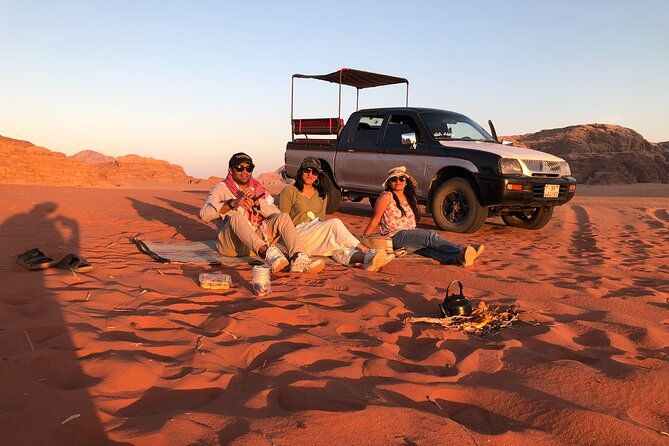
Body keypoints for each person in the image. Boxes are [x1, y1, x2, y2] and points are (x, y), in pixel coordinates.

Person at [200, 152, 324, 274]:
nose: (245, 172)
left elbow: (276, 213)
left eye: (249, 168)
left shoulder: (257, 188)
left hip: (254, 243)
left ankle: (297, 258)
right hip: (232, 246)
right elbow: (205, 214)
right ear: (230, 170)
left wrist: (257, 202)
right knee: (236, 217)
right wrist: (232, 203)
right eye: (239, 168)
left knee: (283, 217)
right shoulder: (221, 188)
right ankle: (268, 254)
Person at [278, 157, 394, 271]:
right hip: (297, 236)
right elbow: (283, 221)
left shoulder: (321, 194)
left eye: (314, 172)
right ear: (301, 172)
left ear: (318, 175)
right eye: (307, 170)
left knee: (339, 247)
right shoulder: (289, 191)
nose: (310, 174)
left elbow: (320, 220)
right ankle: (366, 251)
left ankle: (367, 260)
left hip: (315, 235)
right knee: (335, 223)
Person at [362, 166, 484, 266]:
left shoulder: (409, 198)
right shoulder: (386, 197)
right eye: (394, 179)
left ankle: (458, 259)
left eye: (401, 178)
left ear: (406, 182)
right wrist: (363, 238)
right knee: (429, 236)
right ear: (389, 182)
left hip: (409, 236)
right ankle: (461, 250)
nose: (398, 182)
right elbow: (375, 219)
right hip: (394, 236)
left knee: (429, 251)